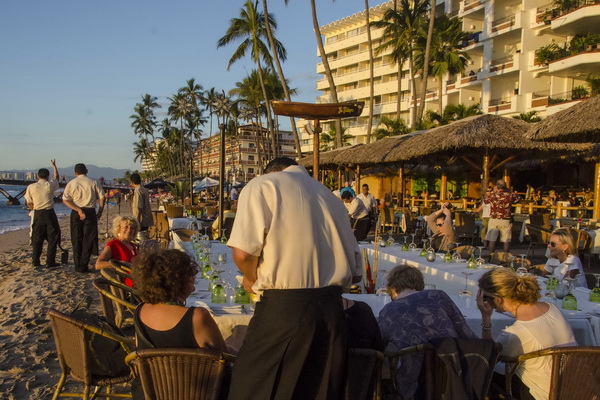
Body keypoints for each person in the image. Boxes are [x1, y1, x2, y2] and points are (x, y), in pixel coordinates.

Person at [227, 157, 362, 400]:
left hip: (286, 309)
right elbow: (356, 270)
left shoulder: (263, 185)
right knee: (318, 392)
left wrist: (252, 279)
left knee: (252, 388)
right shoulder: (331, 197)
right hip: (332, 311)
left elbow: (243, 253)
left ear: (270, 172)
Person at [131, 249, 228, 400]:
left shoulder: (140, 310)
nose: (194, 281)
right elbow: (223, 356)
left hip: (151, 392)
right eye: (190, 277)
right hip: (197, 393)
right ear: (178, 281)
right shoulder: (197, 316)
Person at [378, 265, 477, 400]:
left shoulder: (389, 310)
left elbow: (378, 347)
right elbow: (468, 336)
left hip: (411, 385)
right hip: (453, 378)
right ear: (419, 284)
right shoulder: (439, 296)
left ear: (393, 288)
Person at [477, 268, 577, 400]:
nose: (484, 301)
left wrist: (486, 317)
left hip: (546, 394)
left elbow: (488, 356)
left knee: (481, 374)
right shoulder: (552, 308)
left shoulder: (516, 333)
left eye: (485, 297)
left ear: (498, 299)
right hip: (576, 386)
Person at [62, 163, 105, 272]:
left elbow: (65, 200)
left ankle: (77, 265)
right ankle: (83, 265)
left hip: (76, 211)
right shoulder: (94, 182)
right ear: (86, 171)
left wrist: (77, 209)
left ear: (75, 173)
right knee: (88, 239)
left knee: (76, 238)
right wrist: (100, 211)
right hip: (90, 211)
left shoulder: (71, 183)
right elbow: (102, 197)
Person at [25, 159, 61, 268]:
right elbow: (57, 178)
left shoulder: (31, 187)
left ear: (38, 176)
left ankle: (35, 261)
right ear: (48, 176)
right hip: (49, 213)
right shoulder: (49, 185)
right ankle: (50, 262)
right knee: (53, 238)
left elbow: (28, 202)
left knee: (37, 239)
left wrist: (34, 209)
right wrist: (54, 166)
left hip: (38, 213)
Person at [95, 216, 139, 285]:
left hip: (135, 278)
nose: (129, 230)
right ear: (119, 229)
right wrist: (119, 265)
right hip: (125, 282)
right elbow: (98, 265)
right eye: (126, 227)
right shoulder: (113, 244)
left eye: (132, 227)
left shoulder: (132, 246)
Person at [484, 179, 520, 253]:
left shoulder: (493, 195)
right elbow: (518, 198)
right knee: (506, 241)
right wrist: (509, 191)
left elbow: (485, 201)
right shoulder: (510, 195)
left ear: (496, 186)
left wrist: (493, 191)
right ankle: (505, 257)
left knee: (492, 240)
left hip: (494, 219)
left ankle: (491, 256)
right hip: (506, 220)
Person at [130, 173, 153, 241]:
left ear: (132, 182)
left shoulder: (138, 190)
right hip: (146, 219)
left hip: (141, 220)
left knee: (140, 240)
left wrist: (137, 221)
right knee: (144, 239)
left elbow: (138, 207)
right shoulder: (144, 189)